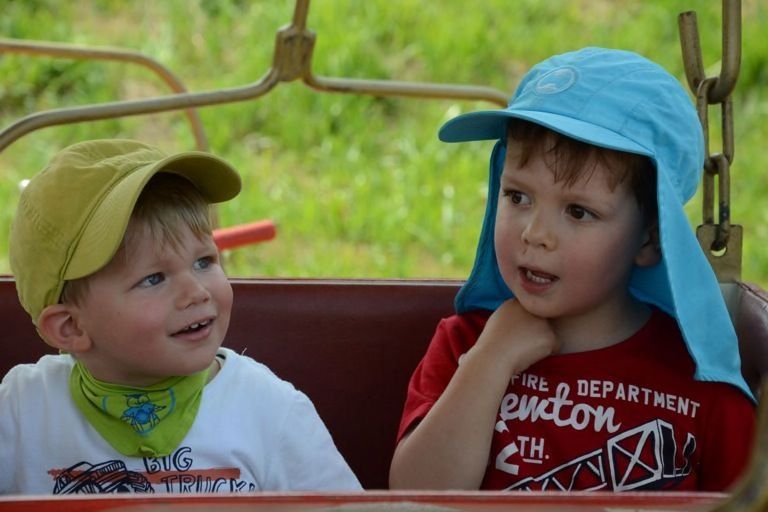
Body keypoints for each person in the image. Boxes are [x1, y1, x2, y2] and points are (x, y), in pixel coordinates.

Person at [389, 47, 756, 492]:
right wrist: (489, 363)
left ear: (650, 239)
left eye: (579, 212)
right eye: (518, 197)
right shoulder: (466, 345)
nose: (535, 234)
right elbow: (415, 495)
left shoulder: (702, 388)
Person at [0, 139, 361, 494]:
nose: (196, 292)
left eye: (204, 261)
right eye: (154, 278)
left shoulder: (269, 410)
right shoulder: (21, 410)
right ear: (71, 326)